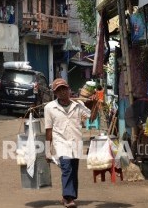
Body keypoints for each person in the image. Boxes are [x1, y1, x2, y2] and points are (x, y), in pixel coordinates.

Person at [44, 78, 90, 208]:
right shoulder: (50, 108)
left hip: (75, 141)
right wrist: (48, 150)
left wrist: (95, 104)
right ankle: (68, 199)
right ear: (55, 93)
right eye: (59, 90)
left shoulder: (78, 105)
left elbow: (91, 117)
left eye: (64, 89)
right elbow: (48, 130)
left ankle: (68, 196)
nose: (63, 92)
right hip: (60, 142)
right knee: (67, 168)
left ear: (69, 89)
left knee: (73, 170)